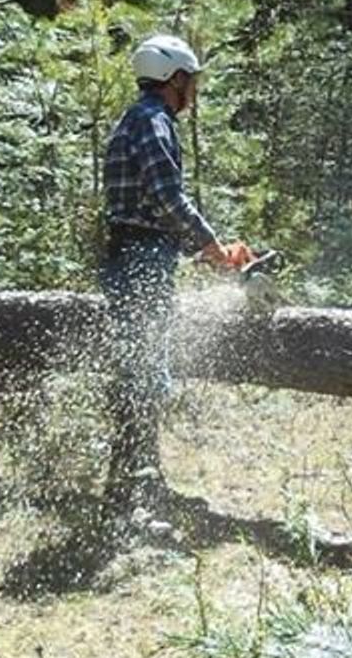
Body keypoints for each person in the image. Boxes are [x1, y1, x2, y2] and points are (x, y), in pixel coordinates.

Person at [99, 33, 252, 524]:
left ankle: (132, 488)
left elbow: (151, 205)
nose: (194, 92)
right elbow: (168, 199)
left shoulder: (134, 119)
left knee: (135, 372)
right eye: (192, 82)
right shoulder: (155, 123)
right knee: (143, 375)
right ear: (176, 78)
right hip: (142, 259)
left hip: (134, 254)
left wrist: (198, 249)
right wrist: (212, 245)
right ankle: (134, 499)